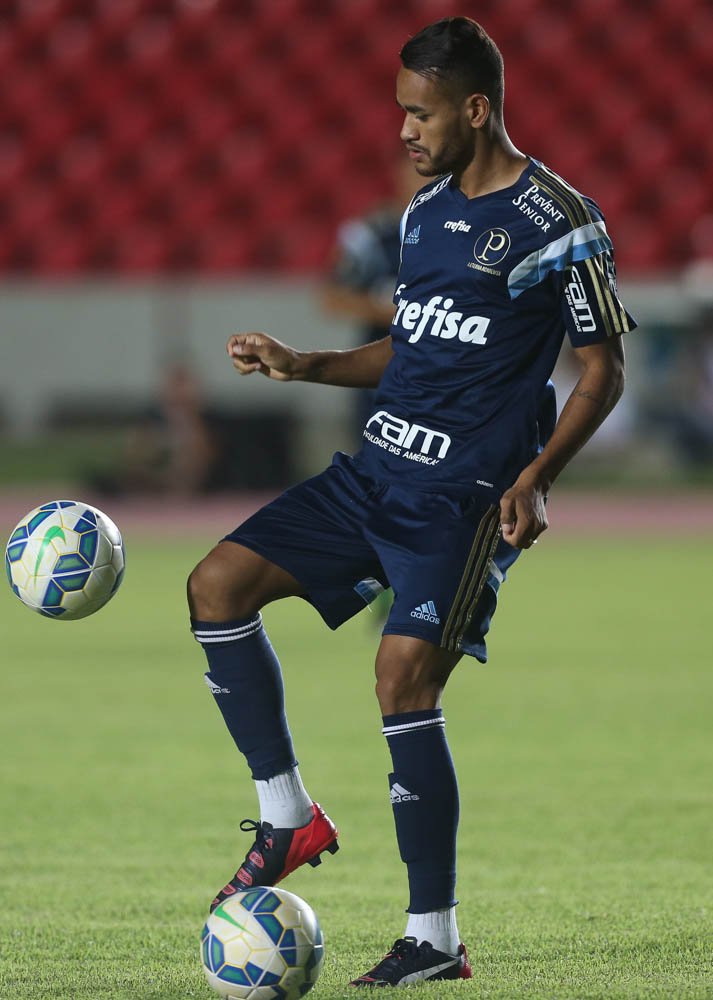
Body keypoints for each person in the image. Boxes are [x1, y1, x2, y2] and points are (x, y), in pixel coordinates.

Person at [188, 16, 634, 988]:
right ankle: (285, 815)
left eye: (418, 113)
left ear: (474, 108)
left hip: (462, 498)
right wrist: (304, 364)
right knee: (215, 586)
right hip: (374, 471)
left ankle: (432, 936)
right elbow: (413, 343)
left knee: (401, 681)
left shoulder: (558, 219)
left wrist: (535, 477)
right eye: (400, 112)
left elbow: (601, 368)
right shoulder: (426, 212)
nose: (402, 131)